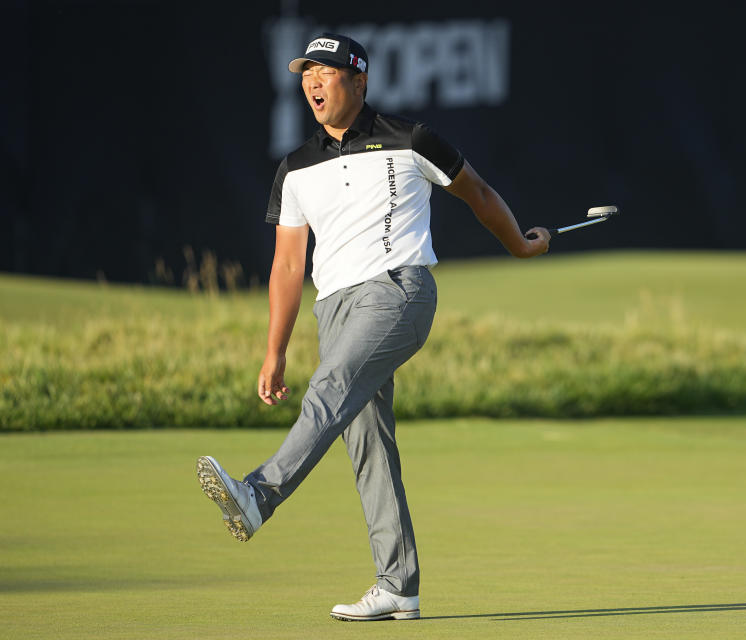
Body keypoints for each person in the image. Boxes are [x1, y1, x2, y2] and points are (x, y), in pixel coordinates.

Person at [196, 32, 550, 622]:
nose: (312, 81)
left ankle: (259, 495)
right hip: (332, 310)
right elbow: (287, 265)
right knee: (368, 445)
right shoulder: (295, 168)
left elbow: (478, 193)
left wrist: (518, 245)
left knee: (329, 392)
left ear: (358, 81)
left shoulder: (412, 141)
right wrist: (273, 352)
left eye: (325, 72)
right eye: (305, 72)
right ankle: (398, 586)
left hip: (398, 293)